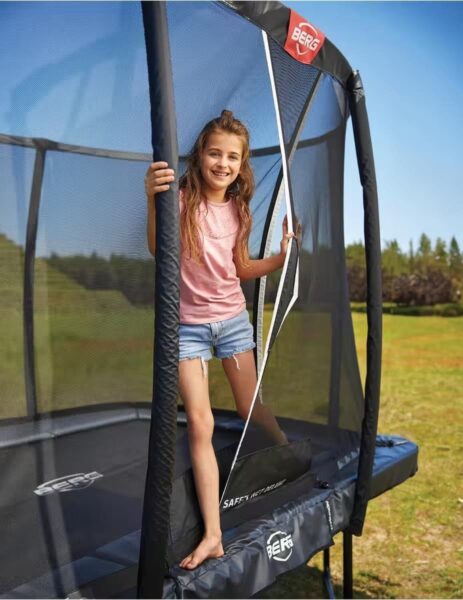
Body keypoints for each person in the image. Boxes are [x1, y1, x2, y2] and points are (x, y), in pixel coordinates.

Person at [144, 110, 296, 570]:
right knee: (200, 422)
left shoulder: (239, 210)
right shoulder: (180, 201)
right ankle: (213, 534)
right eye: (215, 153)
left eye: (232, 157)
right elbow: (157, 249)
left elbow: (241, 268)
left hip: (231, 321)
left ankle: (287, 455)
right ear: (200, 156)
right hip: (187, 328)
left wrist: (280, 258)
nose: (223, 163)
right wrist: (152, 199)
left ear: (241, 164)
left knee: (251, 408)